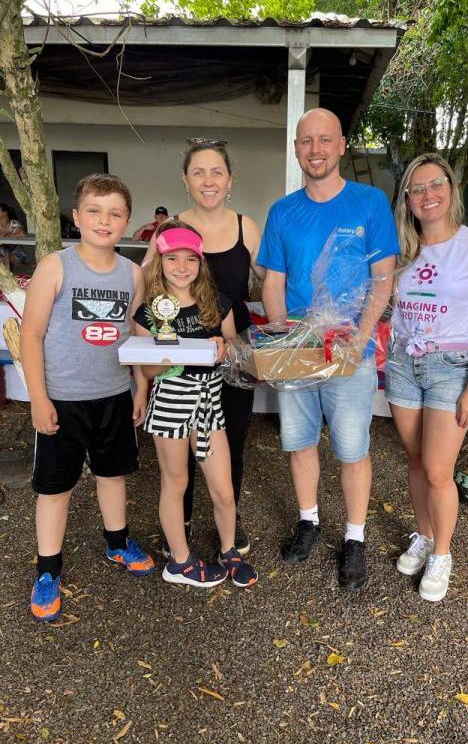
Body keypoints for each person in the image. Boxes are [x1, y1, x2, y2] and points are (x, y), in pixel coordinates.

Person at [257, 108, 399, 590]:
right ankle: (309, 520)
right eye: (305, 141)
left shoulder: (369, 203)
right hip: (299, 347)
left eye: (324, 140)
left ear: (341, 145)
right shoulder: (282, 211)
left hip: (350, 350)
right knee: (299, 442)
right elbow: (273, 281)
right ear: (296, 149)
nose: (314, 150)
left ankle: (355, 537)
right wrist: (283, 338)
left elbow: (383, 278)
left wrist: (359, 337)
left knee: (352, 448)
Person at [20, 173, 154, 623]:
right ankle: (47, 570)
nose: (104, 220)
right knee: (55, 487)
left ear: (127, 221)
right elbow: (31, 334)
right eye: (94, 211)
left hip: (113, 396)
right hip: (62, 399)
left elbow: (134, 335)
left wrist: (141, 385)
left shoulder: (132, 274)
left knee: (112, 475)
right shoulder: (55, 266)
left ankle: (117, 542)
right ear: (76, 217)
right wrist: (38, 398)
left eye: (115, 213)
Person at [386, 153, 468, 602]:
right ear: (407, 199)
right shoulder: (402, 250)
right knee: (416, 460)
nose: (428, 195)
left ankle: (442, 553)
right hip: (403, 364)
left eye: (435, 184)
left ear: (451, 189)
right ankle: (423, 537)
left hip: (451, 367)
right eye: (417, 189)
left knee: (439, 471)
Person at [143, 139, 264, 554]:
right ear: (185, 180)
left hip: (231, 352)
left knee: (232, 439)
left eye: (217, 172)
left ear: (230, 180)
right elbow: (144, 284)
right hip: (179, 361)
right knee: (181, 447)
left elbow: (272, 281)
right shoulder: (169, 229)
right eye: (198, 172)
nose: (208, 181)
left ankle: (229, 518)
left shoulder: (247, 227)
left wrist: (290, 330)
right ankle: (182, 521)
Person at [134, 220, 258, 588]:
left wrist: (224, 346)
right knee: (176, 481)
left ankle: (229, 550)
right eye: (173, 258)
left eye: (191, 258)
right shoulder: (149, 311)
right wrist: (167, 357)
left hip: (209, 402)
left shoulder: (217, 302)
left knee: (223, 487)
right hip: (171, 400)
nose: (182, 266)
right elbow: (147, 369)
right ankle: (180, 561)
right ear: (160, 260)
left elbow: (235, 346)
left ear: (201, 262)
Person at [0, 202, 27, 271]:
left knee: (4, 260)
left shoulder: (13, 224)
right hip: (3, 252)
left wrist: (7, 235)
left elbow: (23, 235)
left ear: (5, 212)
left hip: (16, 252)